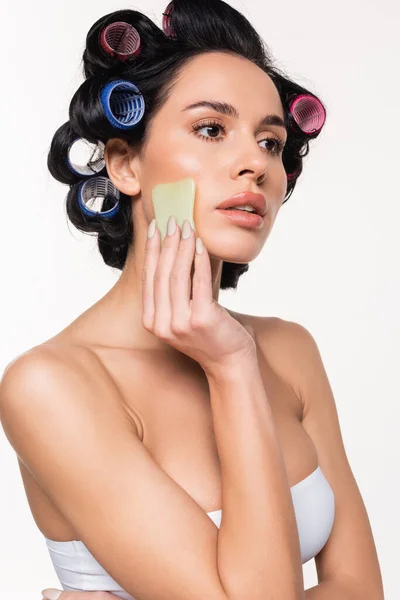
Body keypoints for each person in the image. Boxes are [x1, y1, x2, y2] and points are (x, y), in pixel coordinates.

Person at [0, 1, 384, 599]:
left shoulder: (288, 350)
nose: (255, 163)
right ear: (125, 163)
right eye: (211, 130)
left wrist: (233, 358)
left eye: (271, 141)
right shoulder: (52, 385)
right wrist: (231, 367)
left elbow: (362, 588)